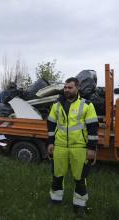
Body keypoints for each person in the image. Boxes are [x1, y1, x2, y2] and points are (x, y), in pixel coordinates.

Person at [47, 77, 98, 216]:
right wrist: (50, 142)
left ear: (77, 88)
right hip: (60, 146)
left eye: (70, 87)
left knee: (80, 178)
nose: (67, 90)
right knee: (57, 175)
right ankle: (55, 200)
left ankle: (79, 205)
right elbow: (51, 124)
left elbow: (93, 128)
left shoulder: (86, 105)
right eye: (65, 87)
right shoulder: (56, 105)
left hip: (80, 147)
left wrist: (92, 149)